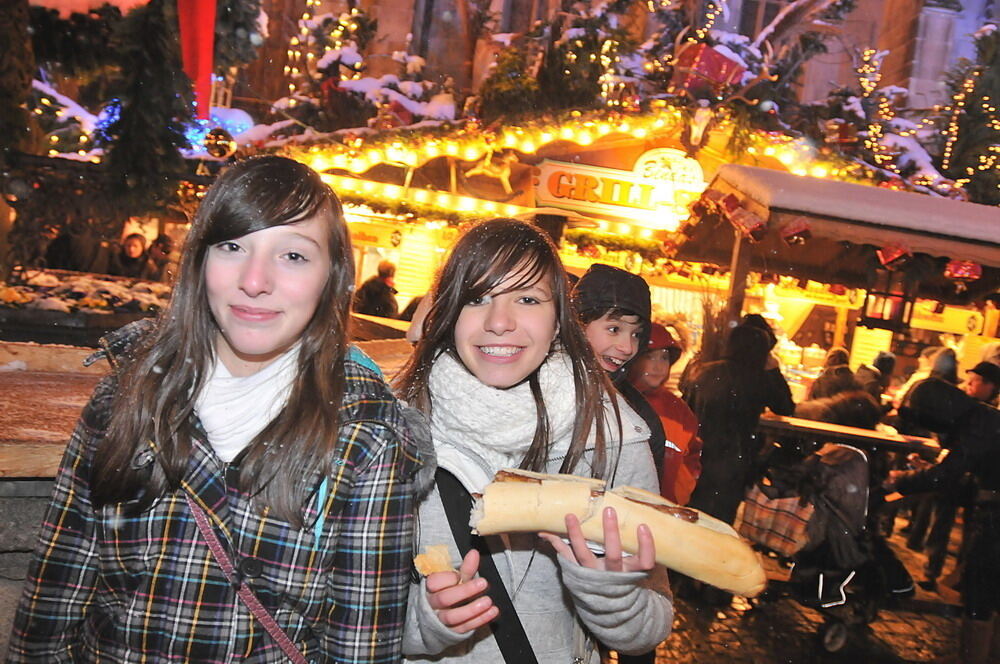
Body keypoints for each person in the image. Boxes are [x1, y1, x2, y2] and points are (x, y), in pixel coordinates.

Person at [7, 156, 431, 663]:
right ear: (199, 260)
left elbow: (360, 645)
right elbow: (56, 591)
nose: (254, 280)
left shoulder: (364, 437)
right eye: (232, 246)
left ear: (332, 278)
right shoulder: (125, 399)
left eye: (293, 256)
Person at [395, 219, 672, 664]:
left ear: (560, 317)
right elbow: (347, 614)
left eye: (527, 298)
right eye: (476, 298)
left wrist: (611, 597)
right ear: (445, 311)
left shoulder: (614, 434)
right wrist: (425, 623)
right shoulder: (389, 429)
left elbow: (650, 624)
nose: (499, 322)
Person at [884, 379, 1000, 663]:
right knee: (989, 598)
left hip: (995, 521)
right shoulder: (981, 417)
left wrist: (900, 479)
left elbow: (944, 477)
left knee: (979, 598)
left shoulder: (978, 423)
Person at [572, 263, 669, 479]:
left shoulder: (638, 417)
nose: (628, 347)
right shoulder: (533, 386)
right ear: (577, 324)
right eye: (614, 329)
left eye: (636, 334)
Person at [628, 322, 702, 506]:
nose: (658, 366)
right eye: (650, 356)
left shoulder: (679, 410)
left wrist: (677, 496)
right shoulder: (616, 399)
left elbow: (691, 457)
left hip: (663, 513)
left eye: (664, 358)